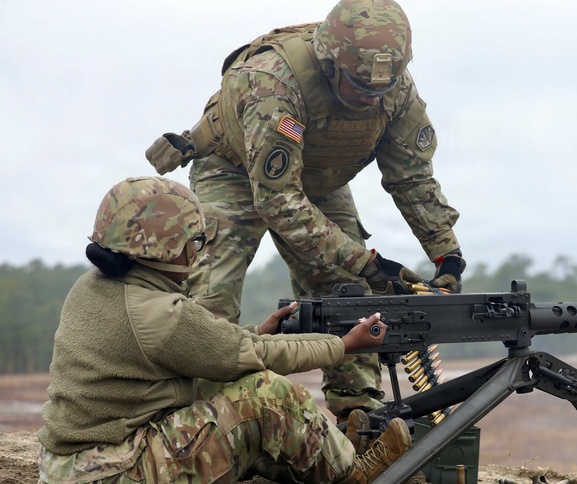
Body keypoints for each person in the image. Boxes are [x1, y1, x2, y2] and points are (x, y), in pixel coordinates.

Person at [145, 0, 466, 421]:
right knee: (212, 296)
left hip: (318, 177)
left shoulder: (393, 89)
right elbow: (278, 199)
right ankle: (204, 419)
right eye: (360, 86)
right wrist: (368, 262)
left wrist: (448, 256)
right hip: (236, 168)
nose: (372, 98)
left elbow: (413, 178)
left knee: (348, 289)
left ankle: (358, 413)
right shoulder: (275, 84)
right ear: (331, 64)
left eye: (380, 89)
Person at [34, 176, 411, 484]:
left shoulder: (91, 287)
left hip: (68, 475)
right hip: (113, 482)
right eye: (194, 240)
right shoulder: (158, 312)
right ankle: (355, 474)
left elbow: (210, 348)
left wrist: (256, 334)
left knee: (222, 388)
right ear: (163, 246)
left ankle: (328, 456)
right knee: (267, 394)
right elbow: (257, 358)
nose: (199, 251)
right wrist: (344, 344)